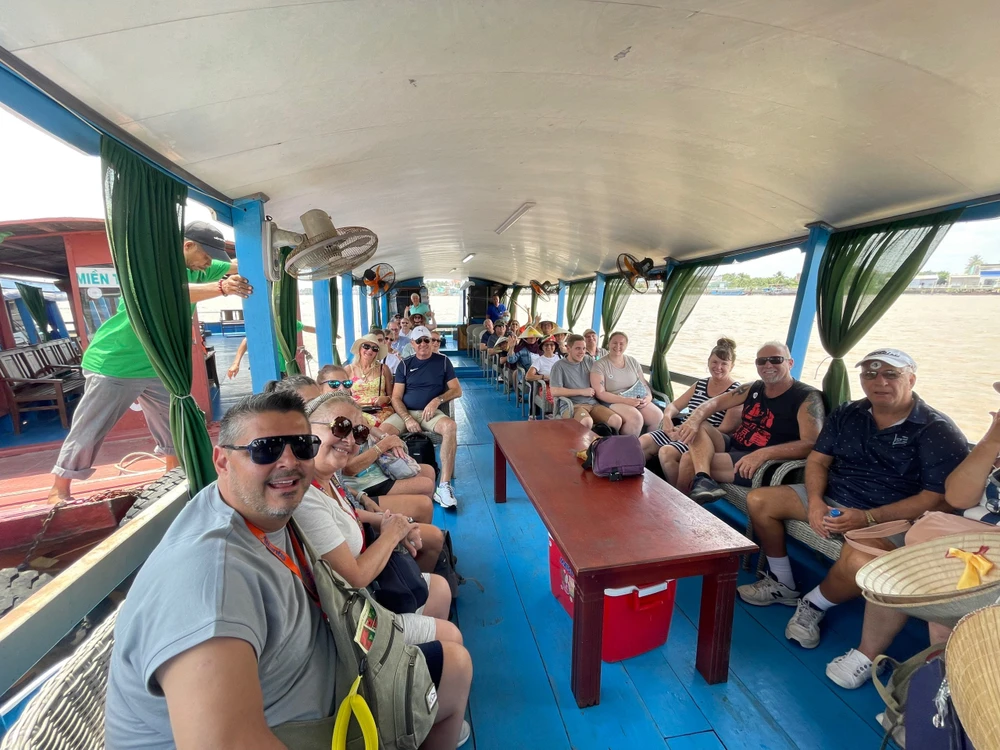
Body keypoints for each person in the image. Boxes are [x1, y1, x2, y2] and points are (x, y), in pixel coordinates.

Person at [104, 391, 472, 749]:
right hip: (300, 725)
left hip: (333, 662)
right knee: (454, 667)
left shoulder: (264, 513)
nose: (288, 462)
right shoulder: (208, 579)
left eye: (301, 447)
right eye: (265, 449)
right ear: (222, 461)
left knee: (454, 666)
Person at [737, 349, 969, 653]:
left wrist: (867, 517)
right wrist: (816, 502)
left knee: (860, 561)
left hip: (889, 516)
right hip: (833, 496)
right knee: (759, 500)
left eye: (891, 374)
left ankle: (813, 603)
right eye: (870, 374)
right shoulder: (848, 413)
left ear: (911, 379)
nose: (879, 381)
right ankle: (783, 583)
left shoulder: (936, 430)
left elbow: (937, 499)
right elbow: (818, 460)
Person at [48, 221, 249, 503]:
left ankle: (172, 479)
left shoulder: (199, 266)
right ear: (187, 246)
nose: (209, 263)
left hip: (157, 367)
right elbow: (169, 293)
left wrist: (271, 255)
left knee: (173, 424)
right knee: (91, 427)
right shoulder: (149, 268)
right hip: (115, 362)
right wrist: (223, 287)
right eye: (206, 256)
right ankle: (59, 489)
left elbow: (236, 265)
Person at [823, 386, 999, 690]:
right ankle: (873, 656)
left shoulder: (933, 427)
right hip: (960, 537)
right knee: (896, 572)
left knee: (947, 600)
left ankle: (941, 695)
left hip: (985, 552)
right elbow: (958, 497)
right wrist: (992, 440)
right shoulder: (994, 442)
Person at [297, 393, 462, 651]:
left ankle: (419, 643)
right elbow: (354, 579)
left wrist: (387, 520)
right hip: (352, 612)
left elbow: (347, 510)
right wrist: (391, 534)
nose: (350, 441)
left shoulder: (328, 478)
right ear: (304, 429)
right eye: (340, 427)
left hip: (367, 589)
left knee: (440, 588)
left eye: (358, 433)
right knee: (454, 644)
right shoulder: (306, 496)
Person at [674, 341, 825, 502]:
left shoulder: (806, 397)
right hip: (735, 445)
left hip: (761, 461)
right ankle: (702, 481)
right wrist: (693, 420)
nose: (768, 365)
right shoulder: (753, 387)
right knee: (700, 424)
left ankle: (679, 506)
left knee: (689, 460)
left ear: (790, 363)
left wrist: (763, 454)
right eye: (761, 361)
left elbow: (811, 443)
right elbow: (715, 403)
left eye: (775, 359)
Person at [639, 338, 742, 484]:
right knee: (643, 441)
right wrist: (667, 418)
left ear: (732, 366)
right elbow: (674, 406)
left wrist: (685, 432)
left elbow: (727, 428)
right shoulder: (701, 384)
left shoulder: (736, 391)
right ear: (708, 362)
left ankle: (677, 494)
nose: (718, 367)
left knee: (667, 452)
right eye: (714, 362)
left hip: (707, 439)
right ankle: (635, 483)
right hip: (684, 430)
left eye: (724, 363)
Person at [387, 326, 462, 509]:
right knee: (382, 433)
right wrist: (407, 418)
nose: (423, 344)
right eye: (418, 341)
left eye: (426, 340)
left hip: (430, 413)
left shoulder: (443, 362)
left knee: (450, 427)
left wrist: (437, 400)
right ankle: (392, 480)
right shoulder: (405, 365)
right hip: (406, 413)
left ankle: (443, 486)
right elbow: (396, 398)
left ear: (431, 341)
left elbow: (457, 390)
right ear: (412, 343)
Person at [590, 332, 663, 436]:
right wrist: (625, 400)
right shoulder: (599, 365)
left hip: (635, 397)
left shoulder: (632, 361)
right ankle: (626, 445)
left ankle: (646, 445)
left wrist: (649, 397)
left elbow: (643, 383)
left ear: (626, 345)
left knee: (657, 416)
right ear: (609, 343)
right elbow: (600, 393)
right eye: (614, 343)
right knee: (635, 418)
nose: (618, 346)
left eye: (621, 343)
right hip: (611, 400)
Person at [549, 334, 623, 432]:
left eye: (584, 348)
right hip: (571, 405)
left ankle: (604, 441)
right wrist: (582, 391)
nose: (582, 352)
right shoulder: (558, 366)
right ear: (568, 348)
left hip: (592, 403)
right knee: (587, 422)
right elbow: (555, 391)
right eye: (578, 348)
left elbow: (601, 373)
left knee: (616, 420)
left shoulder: (588, 360)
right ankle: (586, 442)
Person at [227, 320, 317, 379]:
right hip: (262, 368)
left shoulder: (288, 322)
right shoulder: (263, 322)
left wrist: (322, 331)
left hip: (280, 368)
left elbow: (306, 328)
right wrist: (236, 364)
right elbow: (247, 341)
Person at [346, 333, 395, 425]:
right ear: (359, 348)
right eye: (366, 346)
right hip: (357, 409)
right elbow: (341, 394)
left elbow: (392, 396)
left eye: (374, 348)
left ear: (377, 352)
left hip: (379, 410)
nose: (370, 350)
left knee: (363, 421)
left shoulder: (384, 369)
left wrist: (385, 399)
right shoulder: (349, 369)